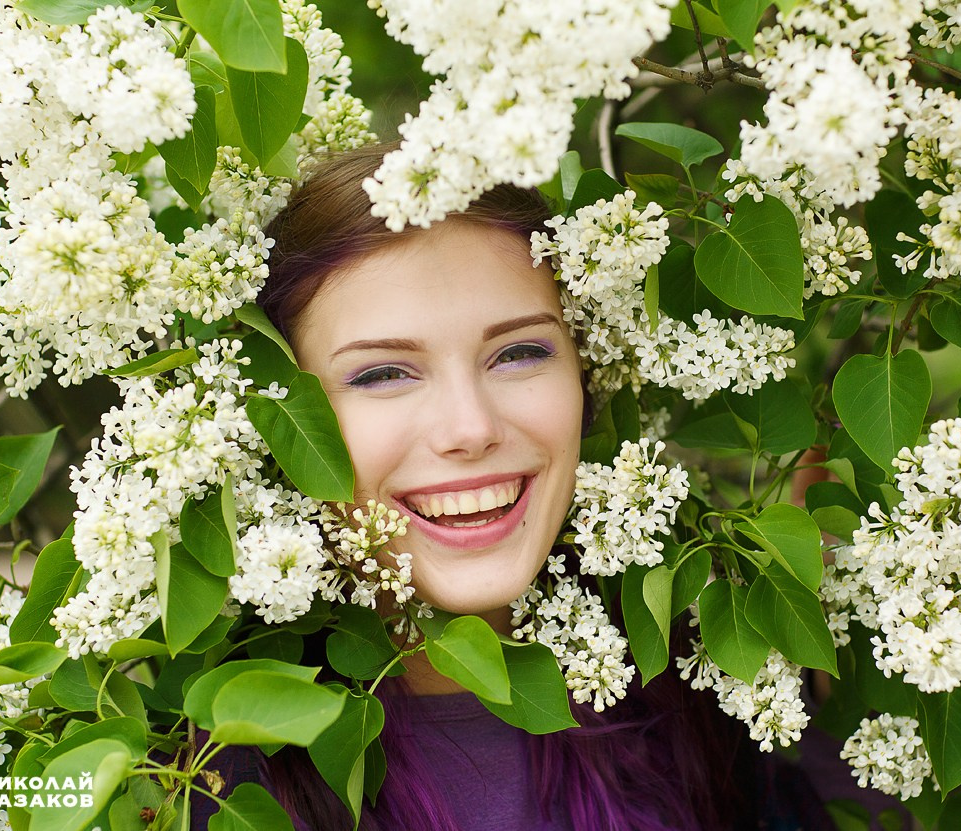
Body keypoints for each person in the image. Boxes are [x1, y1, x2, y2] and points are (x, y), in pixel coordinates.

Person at [189, 144, 832, 831]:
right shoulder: (216, 780)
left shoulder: (697, 688)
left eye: (519, 352)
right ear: (275, 416)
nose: (471, 428)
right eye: (381, 373)